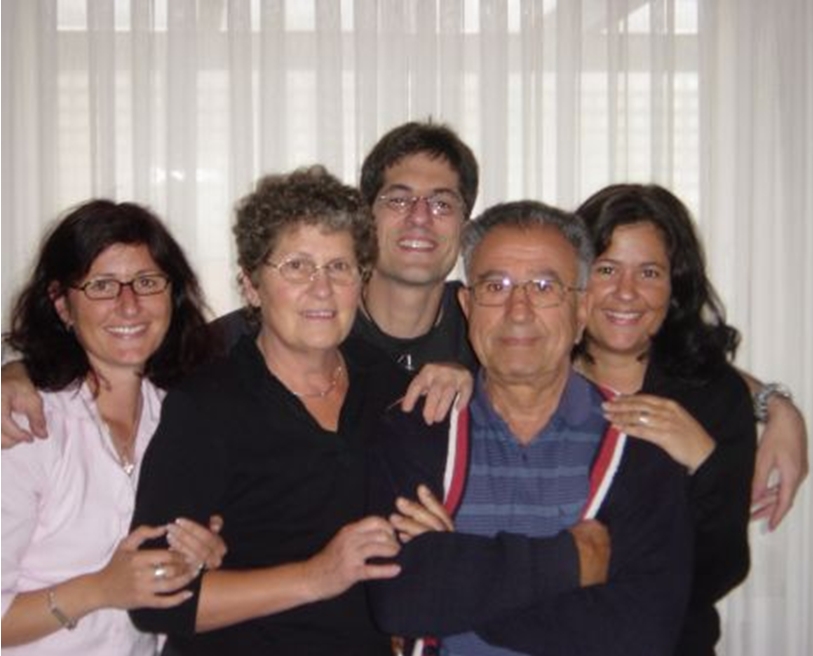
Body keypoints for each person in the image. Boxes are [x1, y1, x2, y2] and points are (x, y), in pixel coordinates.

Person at [2, 121, 806, 525]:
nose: (420, 218)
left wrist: (771, 405)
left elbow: (618, 338)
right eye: (398, 198)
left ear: (464, 223)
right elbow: (136, 352)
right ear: (365, 215)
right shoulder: (285, 326)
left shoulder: (494, 324)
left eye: (442, 202)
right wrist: (23, 372)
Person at [366, 200, 693, 656]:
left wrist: (458, 575)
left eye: (543, 286)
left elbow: (640, 632)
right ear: (467, 306)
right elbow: (400, 600)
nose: (518, 310)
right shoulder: (419, 428)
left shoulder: (639, 446)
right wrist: (574, 560)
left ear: (581, 309)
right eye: (495, 286)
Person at [127, 166, 409, 655]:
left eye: (339, 267)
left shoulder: (388, 385)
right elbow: (155, 600)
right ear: (252, 285)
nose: (322, 288)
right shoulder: (207, 405)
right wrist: (316, 576)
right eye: (297, 266)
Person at [1, 200, 226, 654]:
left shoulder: (185, 417)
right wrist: (100, 589)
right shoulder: (23, 426)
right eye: (102, 286)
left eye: (146, 282)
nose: (129, 305)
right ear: (62, 304)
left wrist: (207, 553)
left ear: (172, 295)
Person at [573, 183, 757, 655]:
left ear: (676, 287)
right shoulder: (532, 382)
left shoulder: (715, 397)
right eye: (607, 269)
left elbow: (721, 570)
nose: (626, 292)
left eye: (649, 272)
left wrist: (706, 463)